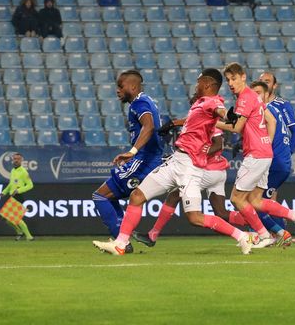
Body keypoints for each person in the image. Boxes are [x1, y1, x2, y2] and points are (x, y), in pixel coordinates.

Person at [93, 68, 253, 255]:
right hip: (176, 161)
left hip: (190, 168)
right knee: (137, 196)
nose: (196, 85)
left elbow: (220, 111)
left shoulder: (212, 101)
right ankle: (120, 244)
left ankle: (242, 236)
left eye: (199, 81)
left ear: (208, 84)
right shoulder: (199, 104)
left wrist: (229, 116)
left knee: (194, 217)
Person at [216, 63, 295, 247]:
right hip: (265, 153)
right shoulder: (255, 96)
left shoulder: (245, 97)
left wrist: (214, 124)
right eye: (227, 80)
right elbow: (271, 120)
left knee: (236, 198)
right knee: (256, 200)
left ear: (243, 77)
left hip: (256, 155)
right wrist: (266, 141)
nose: (230, 83)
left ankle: (264, 235)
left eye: (233, 78)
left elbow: (237, 127)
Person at [92, 70, 164, 239]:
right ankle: (122, 239)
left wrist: (132, 152)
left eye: (120, 86)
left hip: (144, 160)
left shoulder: (139, 103)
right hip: (148, 159)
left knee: (100, 195)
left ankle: (121, 241)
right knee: (108, 197)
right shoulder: (147, 101)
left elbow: (149, 126)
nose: (117, 90)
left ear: (132, 86)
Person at [246, 81, 294, 246]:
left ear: (267, 94)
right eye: (253, 93)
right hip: (279, 162)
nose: (256, 96)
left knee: (255, 201)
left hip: (275, 163)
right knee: (261, 201)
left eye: (258, 93)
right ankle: (277, 234)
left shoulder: (265, 111)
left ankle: (274, 234)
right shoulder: (272, 110)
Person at [258, 71, 295, 155]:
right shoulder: (254, 104)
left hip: (276, 155)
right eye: (261, 82)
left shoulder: (283, 104)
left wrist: (288, 152)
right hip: (259, 154)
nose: (263, 85)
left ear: (274, 85)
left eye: (267, 82)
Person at [0, 153, 34, 241]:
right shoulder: (13, 170)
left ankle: (29, 237)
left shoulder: (23, 172)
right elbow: (11, 184)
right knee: (5, 218)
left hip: (18, 196)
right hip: (12, 196)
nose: (16, 160)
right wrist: (4, 192)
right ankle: (19, 231)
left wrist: (19, 190)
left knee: (16, 218)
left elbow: (30, 185)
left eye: (18, 159)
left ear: (21, 160)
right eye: (14, 159)